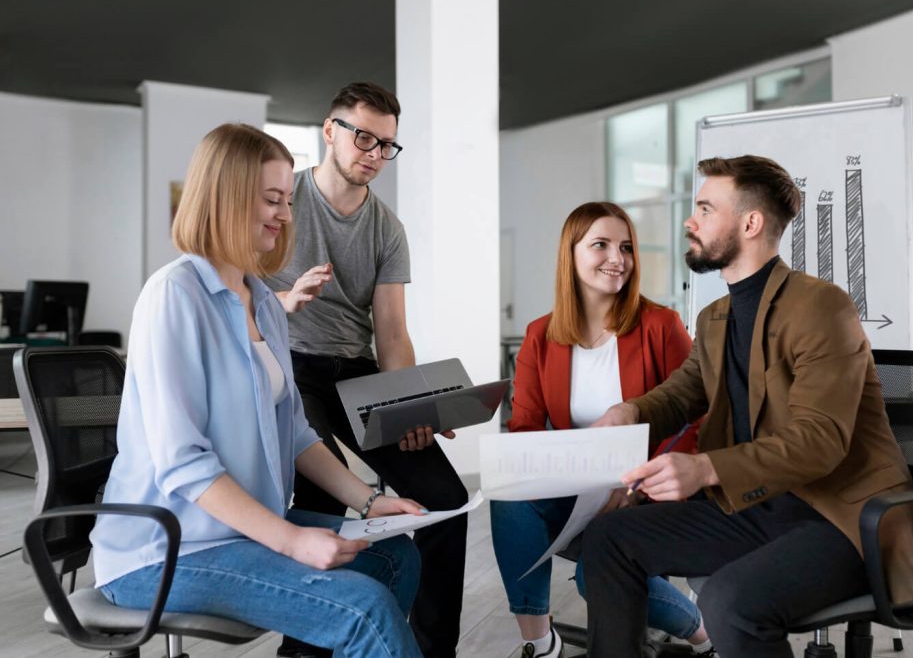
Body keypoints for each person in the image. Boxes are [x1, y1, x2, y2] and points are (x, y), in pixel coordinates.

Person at [90, 123, 427, 657]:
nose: (286, 215)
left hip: (237, 533)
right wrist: (292, 540)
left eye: (288, 200)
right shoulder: (174, 296)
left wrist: (369, 500)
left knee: (396, 558)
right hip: (168, 549)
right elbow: (182, 463)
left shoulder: (265, 302)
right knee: (363, 610)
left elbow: (295, 431)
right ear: (225, 199)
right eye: (272, 200)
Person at [582, 155, 913, 657]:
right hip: (756, 506)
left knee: (731, 602)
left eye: (706, 209)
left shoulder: (821, 306)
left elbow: (820, 440)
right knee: (608, 539)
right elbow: (682, 394)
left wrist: (704, 467)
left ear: (750, 224)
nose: (691, 220)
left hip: (841, 520)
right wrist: (630, 413)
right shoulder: (714, 317)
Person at [264, 82, 468, 658]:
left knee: (446, 504)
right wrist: (283, 305)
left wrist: (408, 404)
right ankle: (305, 650)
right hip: (291, 363)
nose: (375, 154)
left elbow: (393, 332)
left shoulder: (387, 229)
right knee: (321, 498)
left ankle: (434, 651)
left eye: (387, 146)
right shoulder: (283, 202)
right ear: (330, 131)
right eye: (364, 138)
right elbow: (241, 297)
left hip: (358, 373)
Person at [490, 202, 714, 658]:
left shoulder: (661, 326)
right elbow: (526, 428)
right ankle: (539, 642)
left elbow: (696, 420)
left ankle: (704, 634)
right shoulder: (540, 335)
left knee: (599, 578)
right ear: (570, 255)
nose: (618, 258)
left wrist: (637, 486)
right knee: (508, 495)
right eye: (601, 245)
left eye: (626, 247)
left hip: (649, 489)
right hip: (577, 488)